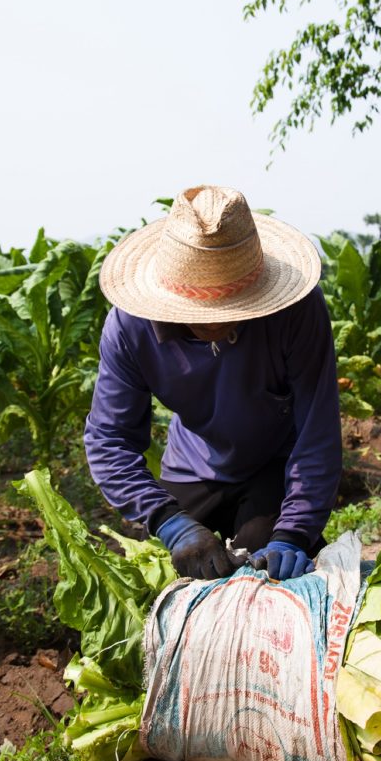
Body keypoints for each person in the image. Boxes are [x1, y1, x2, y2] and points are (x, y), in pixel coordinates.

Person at [84, 185, 342, 582]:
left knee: (273, 574)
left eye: (231, 308)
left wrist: (294, 533)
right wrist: (170, 523)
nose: (215, 321)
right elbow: (109, 441)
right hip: (192, 467)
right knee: (171, 582)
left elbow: (317, 431)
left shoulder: (297, 312)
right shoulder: (130, 328)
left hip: (271, 463)